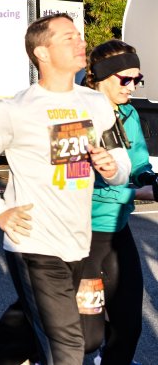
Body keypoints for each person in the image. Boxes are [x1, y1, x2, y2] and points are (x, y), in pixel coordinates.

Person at [0, 14, 130, 365]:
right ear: (43, 52)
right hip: (34, 243)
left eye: (79, 36)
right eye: (69, 38)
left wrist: (113, 169)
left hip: (79, 242)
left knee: (37, 325)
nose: (81, 42)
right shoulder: (16, 109)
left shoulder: (96, 103)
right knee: (67, 346)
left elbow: (120, 161)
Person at [83, 40, 154, 364]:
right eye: (125, 79)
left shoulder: (128, 112)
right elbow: (80, 182)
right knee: (87, 333)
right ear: (102, 76)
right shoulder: (79, 115)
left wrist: (150, 180)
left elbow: (138, 163)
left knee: (128, 324)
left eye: (136, 79)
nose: (132, 86)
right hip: (84, 234)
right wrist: (132, 192)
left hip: (118, 228)